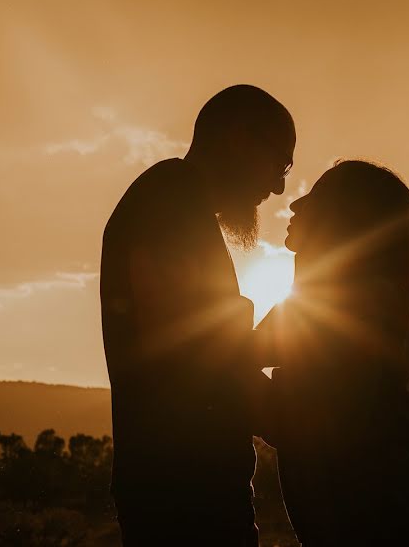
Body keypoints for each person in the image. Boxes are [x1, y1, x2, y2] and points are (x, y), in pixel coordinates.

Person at [100, 84, 295, 545]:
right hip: (185, 498)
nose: (279, 186)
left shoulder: (176, 204)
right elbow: (196, 352)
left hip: (184, 488)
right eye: (280, 163)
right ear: (238, 139)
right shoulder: (168, 203)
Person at [255, 160, 409, 546]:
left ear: (346, 218)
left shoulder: (364, 301)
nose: (295, 205)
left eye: (315, 197)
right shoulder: (315, 299)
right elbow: (245, 352)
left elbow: (292, 420)